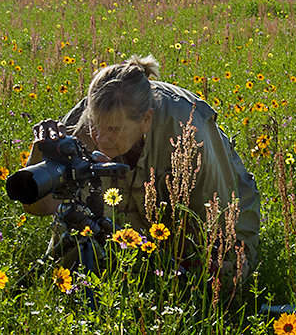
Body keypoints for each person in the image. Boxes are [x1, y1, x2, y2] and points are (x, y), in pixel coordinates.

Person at [18, 55, 260, 292]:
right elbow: (40, 208)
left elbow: (221, 210)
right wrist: (40, 155)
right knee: (73, 271)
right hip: (126, 224)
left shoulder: (186, 128)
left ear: (146, 120)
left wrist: (209, 261)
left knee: (220, 278)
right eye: (96, 125)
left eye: (113, 129)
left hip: (212, 212)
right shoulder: (82, 125)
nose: (100, 138)